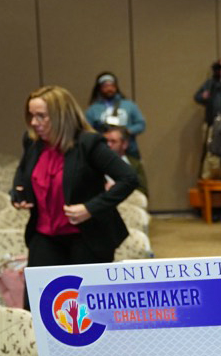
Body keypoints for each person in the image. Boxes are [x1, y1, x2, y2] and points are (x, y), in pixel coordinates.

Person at [12, 86, 136, 305]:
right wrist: (18, 192)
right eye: (31, 115)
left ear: (61, 116)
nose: (33, 122)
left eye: (41, 116)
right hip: (45, 235)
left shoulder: (88, 143)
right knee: (37, 308)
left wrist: (90, 208)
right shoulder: (32, 142)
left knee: (87, 312)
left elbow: (128, 178)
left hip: (86, 237)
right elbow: (23, 172)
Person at [84, 72, 147, 158]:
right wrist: (101, 135)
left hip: (128, 150)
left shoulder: (129, 105)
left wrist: (127, 131)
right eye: (105, 86)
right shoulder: (93, 110)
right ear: (99, 88)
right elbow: (87, 130)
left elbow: (141, 124)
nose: (109, 89)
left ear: (116, 87)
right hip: (103, 150)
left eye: (112, 86)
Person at [103, 125, 149, 197]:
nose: (108, 144)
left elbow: (143, 192)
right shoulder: (94, 164)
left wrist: (118, 189)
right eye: (106, 141)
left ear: (124, 144)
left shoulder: (135, 164)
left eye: (113, 141)